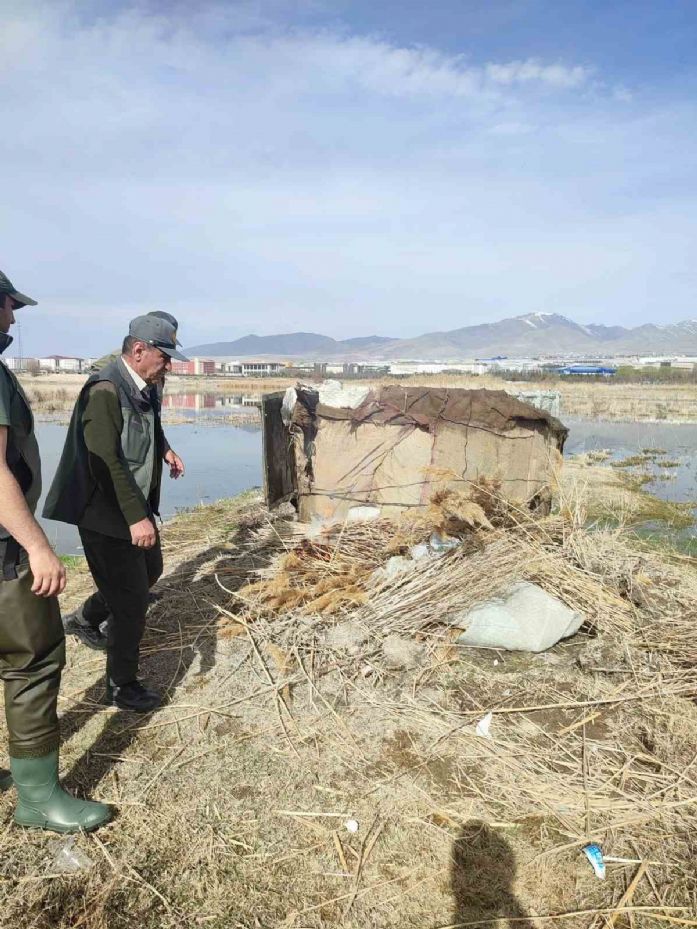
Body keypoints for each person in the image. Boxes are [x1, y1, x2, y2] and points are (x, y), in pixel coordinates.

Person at [0, 268, 110, 832]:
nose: (12, 318)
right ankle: (39, 800)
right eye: (6, 306)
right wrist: (38, 546)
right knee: (32, 661)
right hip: (2, 554)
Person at [44, 315, 187, 713]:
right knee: (131, 603)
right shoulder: (105, 389)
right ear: (138, 351)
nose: (169, 365)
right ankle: (121, 686)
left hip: (129, 504)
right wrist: (135, 518)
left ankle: (84, 618)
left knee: (151, 570)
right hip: (104, 511)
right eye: (165, 356)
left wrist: (165, 450)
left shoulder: (144, 385)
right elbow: (104, 458)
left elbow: (149, 425)